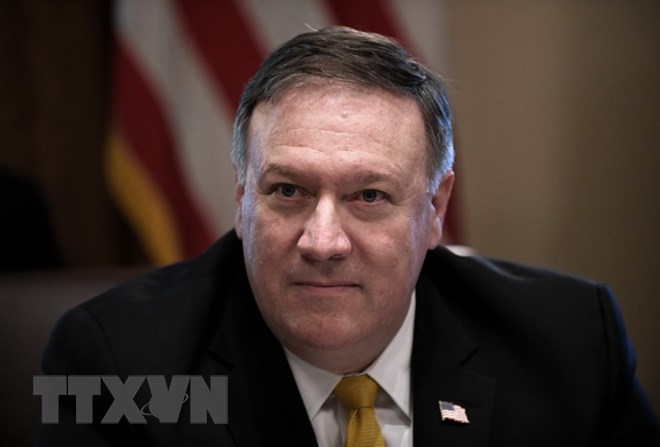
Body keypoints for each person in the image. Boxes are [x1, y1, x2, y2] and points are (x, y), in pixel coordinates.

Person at [37, 26, 658, 446]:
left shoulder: (570, 340)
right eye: (288, 190)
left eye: (369, 196)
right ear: (242, 198)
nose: (323, 242)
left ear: (435, 208)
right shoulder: (118, 364)